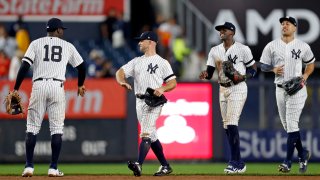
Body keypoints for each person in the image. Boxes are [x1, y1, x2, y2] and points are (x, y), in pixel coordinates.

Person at [11, 17, 86, 177]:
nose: (62, 32)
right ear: (58, 30)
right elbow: (82, 66)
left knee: (31, 128)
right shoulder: (67, 46)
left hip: (38, 86)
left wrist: (16, 88)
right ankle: (53, 168)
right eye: (61, 30)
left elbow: (24, 66)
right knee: (57, 130)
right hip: (57, 86)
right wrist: (80, 84)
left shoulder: (35, 43)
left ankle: (29, 166)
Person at [115, 31, 177, 176]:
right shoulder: (136, 61)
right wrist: (122, 81)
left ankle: (139, 164)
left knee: (146, 133)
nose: (139, 43)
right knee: (152, 136)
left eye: (142, 40)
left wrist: (162, 88)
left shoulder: (162, 62)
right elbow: (120, 72)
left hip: (154, 102)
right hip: (139, 101)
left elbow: (173, 82)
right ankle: (165, 166)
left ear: (150, 42)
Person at [199, 22, 257, 174]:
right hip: (222, 88)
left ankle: (234, 162)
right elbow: (210, 73)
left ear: (232, 32)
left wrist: (243, 77)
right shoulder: (214, 50)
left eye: (224, 30)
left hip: (238, 87)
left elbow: (253, 69)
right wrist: (205, 74)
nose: (221, 32)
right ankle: (239, 162)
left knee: (231, 122)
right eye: (220, 30)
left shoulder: (243, 49)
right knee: (227, 127)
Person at [260, 16, 314, 173]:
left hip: (297, 90)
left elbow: (310, 64)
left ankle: (287, 162)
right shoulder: (272, 45)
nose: (284, 25)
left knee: (291, 123)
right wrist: (272, 69)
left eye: (288, 24)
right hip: (280, 89)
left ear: (295, 27)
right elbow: (262, 65)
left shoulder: (302, 46)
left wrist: (304, 76)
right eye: (282, 24)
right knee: (288, 126)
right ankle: (302, 154)